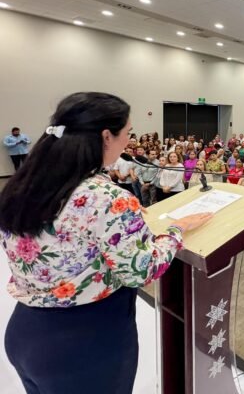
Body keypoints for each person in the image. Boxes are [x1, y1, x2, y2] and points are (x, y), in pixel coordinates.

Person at [0, 92, 211, 394]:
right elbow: (142, 270)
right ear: (106, 136)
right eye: (128, 133)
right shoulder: (107, 198)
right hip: (85, 341)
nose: (129, 141)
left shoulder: (24, 183)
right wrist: (176, 230)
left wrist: (125, 221)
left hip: (26, 329)